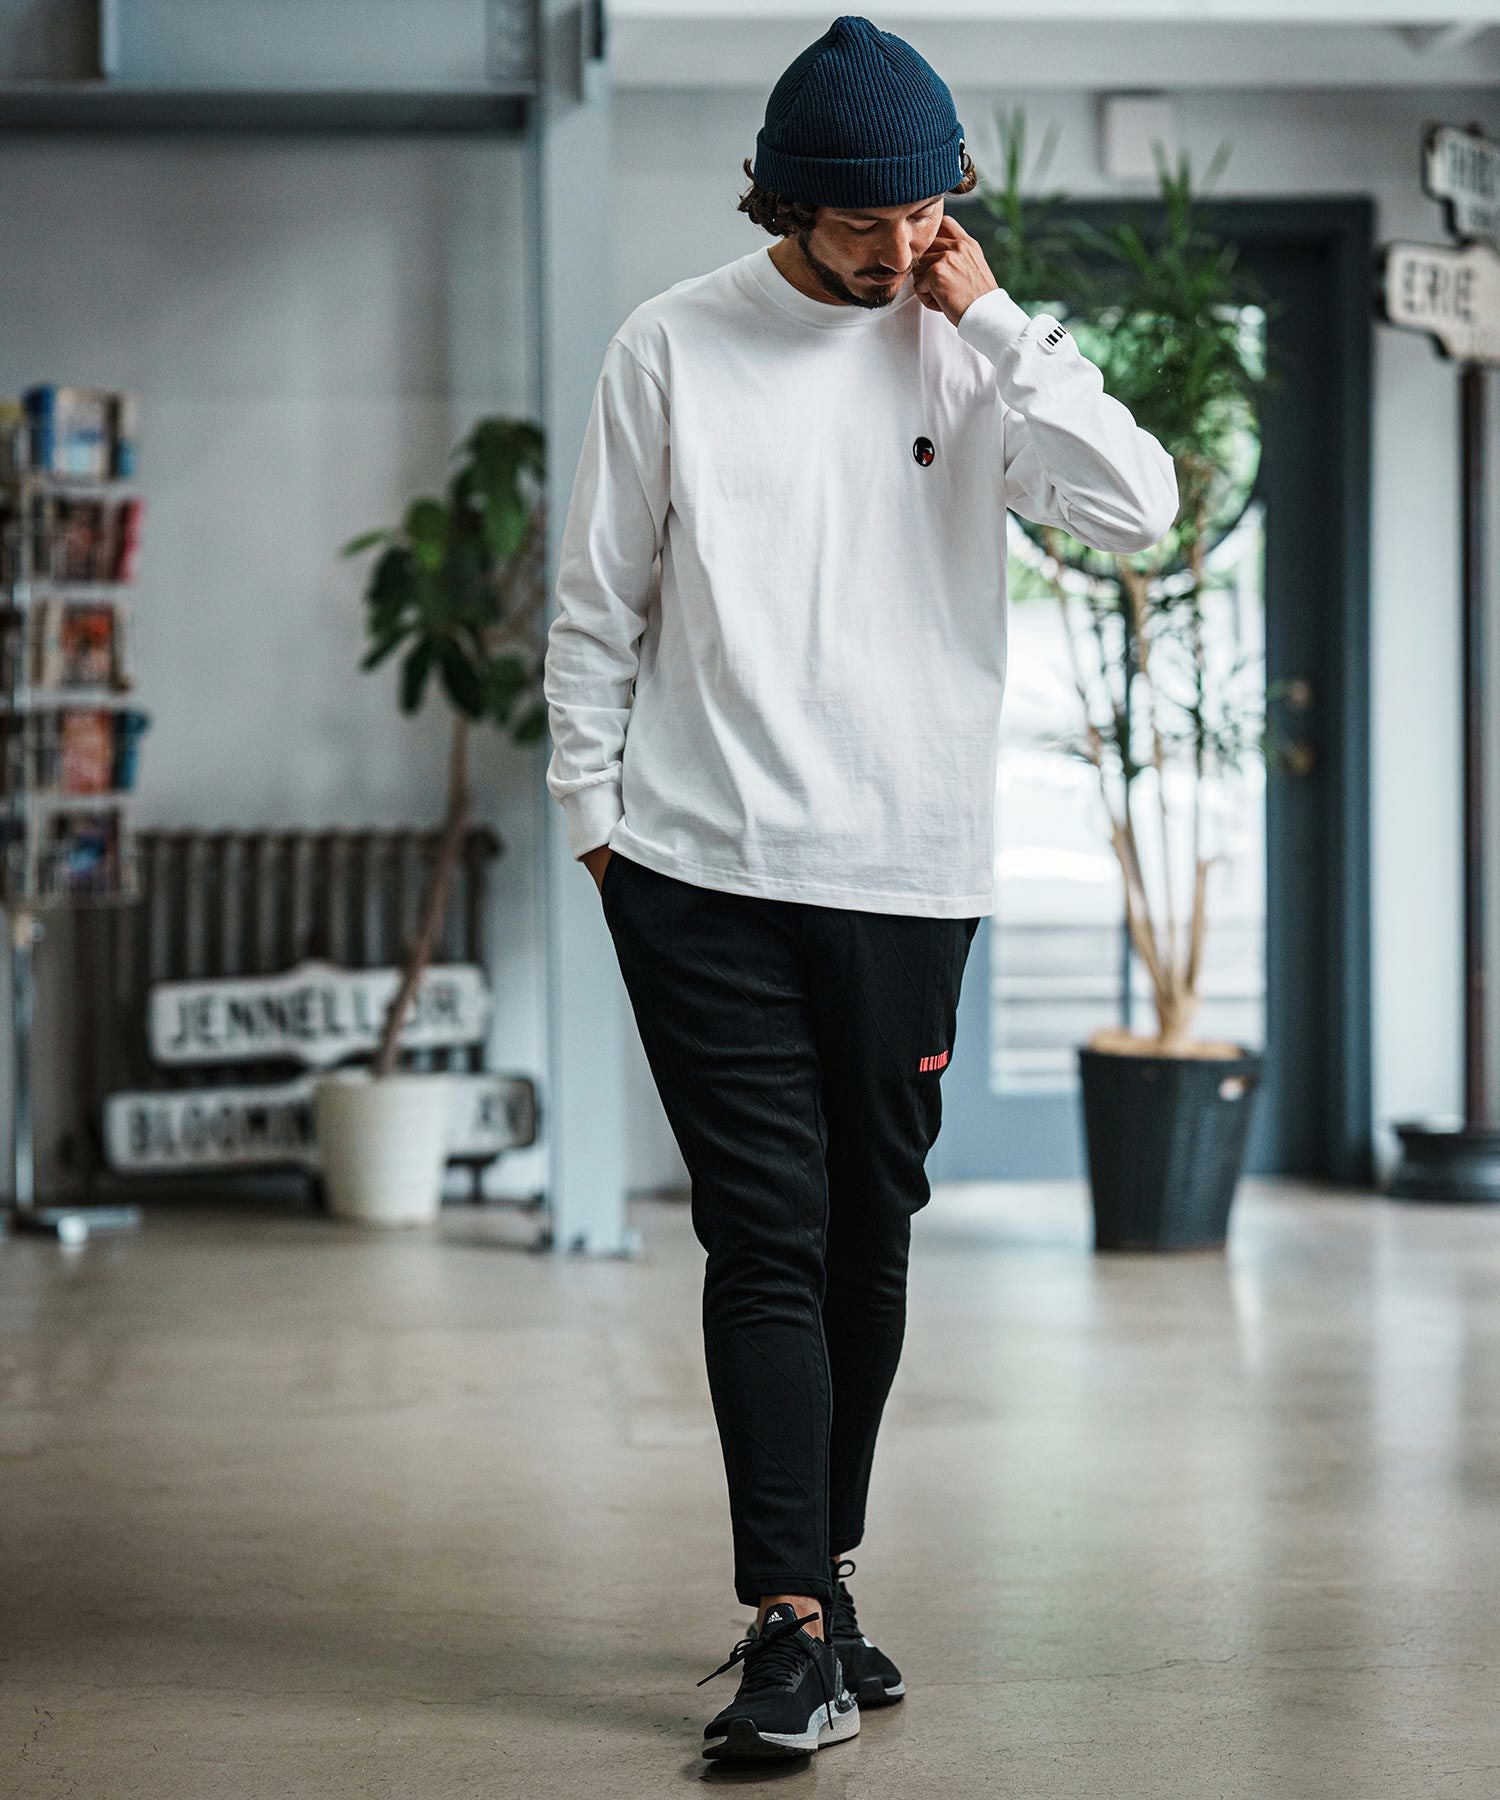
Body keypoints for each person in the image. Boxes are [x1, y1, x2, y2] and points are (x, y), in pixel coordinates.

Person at [543, 12, 1178, 1766]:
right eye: (861, 225)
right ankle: (788, 1622)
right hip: (701, 869)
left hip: (909, 871)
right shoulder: (671, 344)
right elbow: (597, 605)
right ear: (783, 206)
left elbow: (1140, 509)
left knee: (868, 1230)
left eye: (924, 216)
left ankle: (828, 1576)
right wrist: (599, 827)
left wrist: (999, 324)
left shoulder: (976, 352)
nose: (897, 249)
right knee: (764, 1228)